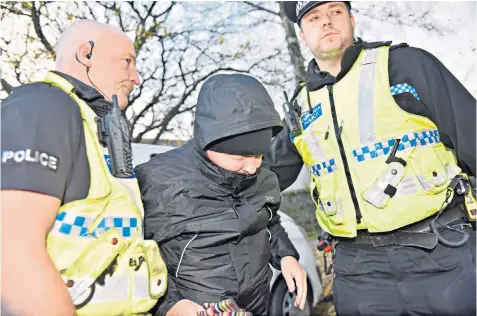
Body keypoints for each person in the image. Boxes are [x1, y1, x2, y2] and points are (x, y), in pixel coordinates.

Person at [264, 1, 477, 315]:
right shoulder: (299, 108)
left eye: (335, 12)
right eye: (314, 17)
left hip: (440, 254)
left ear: (351, 20)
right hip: (358, 271)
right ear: (302, 34)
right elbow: (260, 184)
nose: (326, 22)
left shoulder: (404, 66)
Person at [1, 20, 167, 316]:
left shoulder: (92, 127)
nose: (136, 77)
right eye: (127, 62)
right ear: (85, 55)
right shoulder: (45, 105)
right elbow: (10, 246)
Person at [136, 73, 308, 316]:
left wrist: (286, 257)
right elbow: (136, 255)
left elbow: (270, 222)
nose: (252, 168)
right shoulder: (157, 181)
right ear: (210, 142)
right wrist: (170, 305)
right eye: (240, 157)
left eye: (258, 156)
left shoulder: (262, 175)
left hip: (257, 307)